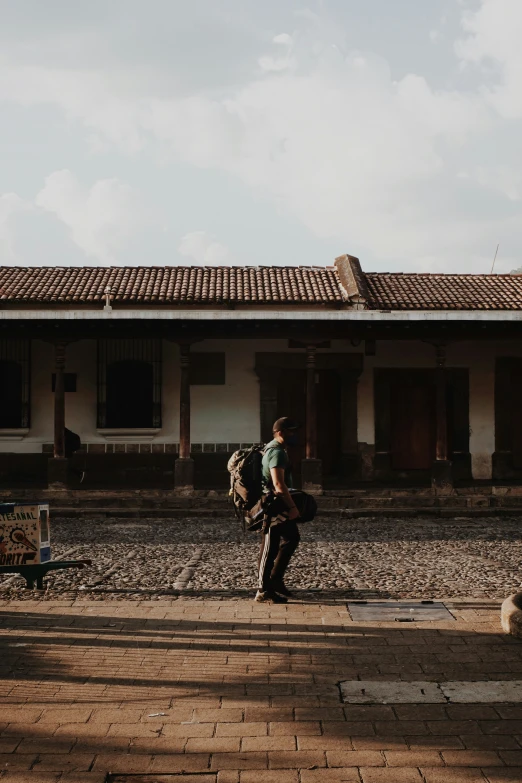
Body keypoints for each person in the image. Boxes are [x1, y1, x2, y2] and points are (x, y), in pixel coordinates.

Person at [255, 416, 301, 604]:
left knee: (292, 538)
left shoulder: (273, 448)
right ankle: (263, 590)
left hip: (277, 503)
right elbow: (279, 484)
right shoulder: (277, 453)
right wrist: (293, 507)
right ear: (281, 433)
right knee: (269, 547)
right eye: (291, 431)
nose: (294, 435)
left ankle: (275, 580)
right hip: (273, 505)